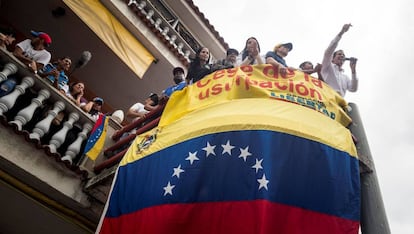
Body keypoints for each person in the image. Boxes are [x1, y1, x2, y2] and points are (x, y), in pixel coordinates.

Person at [320, 23, 358, 97]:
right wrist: (342, 32)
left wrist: (353, 71)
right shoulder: (327, 66)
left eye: (343, 55)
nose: (342, 56)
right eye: (339, 54)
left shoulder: (345, 77)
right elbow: (329, 51)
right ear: (332, 58)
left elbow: (353, 89)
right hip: (325, 98)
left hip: (338, 105)